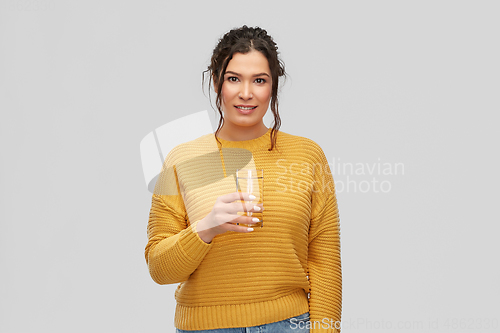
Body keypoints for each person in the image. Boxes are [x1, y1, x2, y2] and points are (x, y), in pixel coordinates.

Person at [145, 25, 342, 333]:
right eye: (233, 78)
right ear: (216, 83)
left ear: (273, 87)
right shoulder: (181, 158)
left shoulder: (307, 155)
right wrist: (205, 228)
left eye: (259, 80)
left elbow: (324, 261)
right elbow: (158, 267)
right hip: (205, 328)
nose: (246, 93)